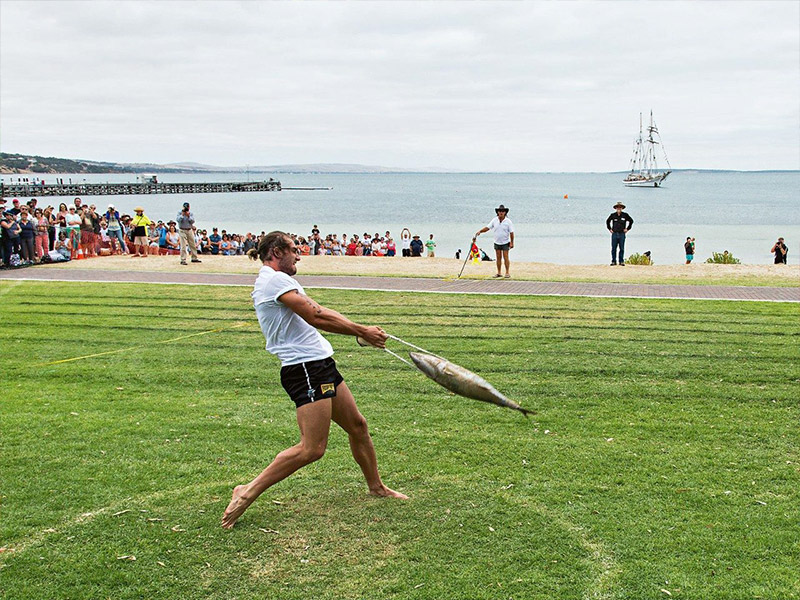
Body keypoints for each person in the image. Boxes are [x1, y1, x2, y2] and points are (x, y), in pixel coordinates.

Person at [221, 232, 407, 529]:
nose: (298, 256)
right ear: (277, 252)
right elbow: (316, 316)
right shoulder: (274, 280)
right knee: (312, 448)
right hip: (304, 368)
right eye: (294, 250)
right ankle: (246, 491)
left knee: (358, 426)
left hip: (320, 364)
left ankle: (376, 487)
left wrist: (358, 330)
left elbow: (319, 309)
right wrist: (362, 331)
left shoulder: (276, 280)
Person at [475, 204, 515, 278]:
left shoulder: (508, 221)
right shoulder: (494, 220)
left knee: (506, 257)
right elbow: (488, 228)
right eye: (500, 211)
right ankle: (499, 272)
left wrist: (512, 242)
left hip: (505, 242)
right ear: (497, 212)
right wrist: (480, 231)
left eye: (502, 211)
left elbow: (511, 232)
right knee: (498, 257)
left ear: (505, 212)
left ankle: (507, 272)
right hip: (497, 242)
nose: (501, 212)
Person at [605, 202, 633, 266]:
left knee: (622, 248)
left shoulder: (625, 215)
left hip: (622, 234)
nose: (619, 208)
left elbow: (631, 221)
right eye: (618, 207)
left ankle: (621, 261)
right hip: (614, 233)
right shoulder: (613, 215)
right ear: (616, 208)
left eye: (620, 207)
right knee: (613, 248)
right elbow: (607, 221)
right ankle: (613, 261)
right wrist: (609, 229)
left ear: (622, 208)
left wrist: (627, 229)